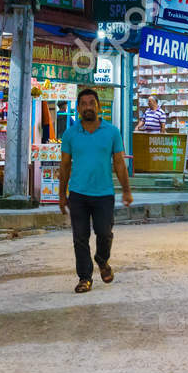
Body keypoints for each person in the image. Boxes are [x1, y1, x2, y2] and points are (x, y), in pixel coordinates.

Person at [58, 86, 132, 294]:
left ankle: (102, 259)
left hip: (104, 194)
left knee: (105, 233)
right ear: (78, 108)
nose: (88, 107)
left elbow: (118, 163)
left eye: (92, 103)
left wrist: (126, 190)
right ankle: (85, 277)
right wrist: (61, 195)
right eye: (83, 104)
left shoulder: (112, 132)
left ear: (98, 106)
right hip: (78, 194)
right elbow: (64, 166)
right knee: (80, 238)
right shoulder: (70, 134)